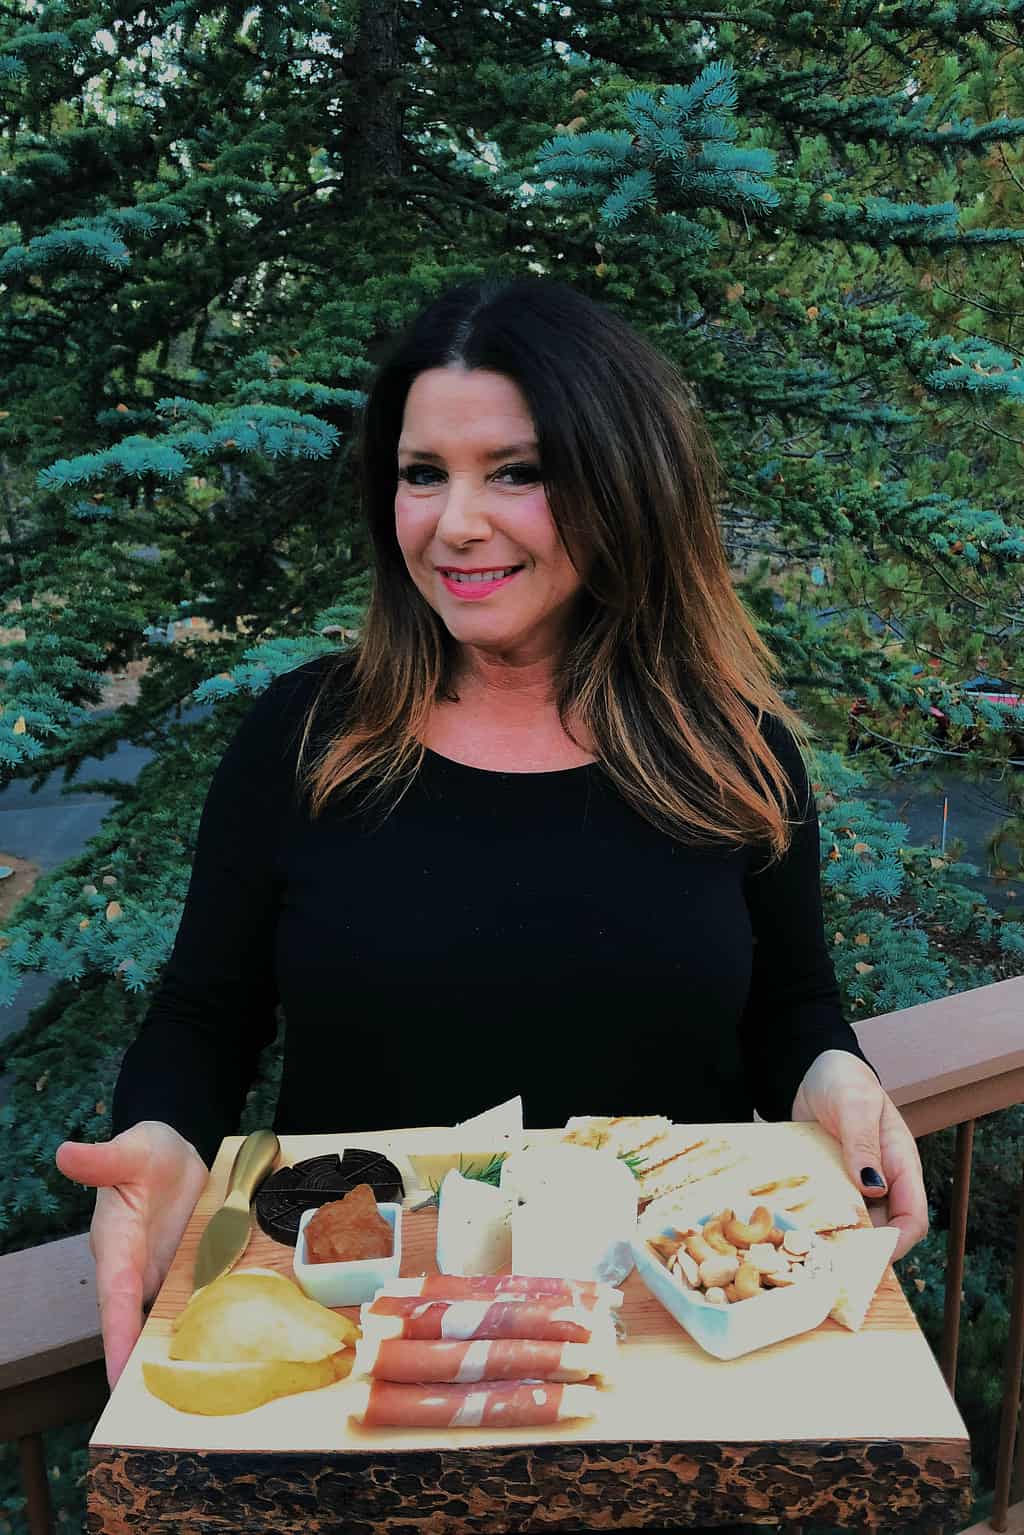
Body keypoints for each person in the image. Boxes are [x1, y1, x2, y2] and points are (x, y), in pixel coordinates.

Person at [56, 275, 928, 1401]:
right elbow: (203, 1016)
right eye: (423, 473)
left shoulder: (730, 747)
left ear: (622, 484)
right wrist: (166, 1134)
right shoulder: (303, 738)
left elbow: (788, 1004)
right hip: (360, 1361)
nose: (455, 522)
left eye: (515, 471)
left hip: (664, 1355)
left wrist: (836, 1072)